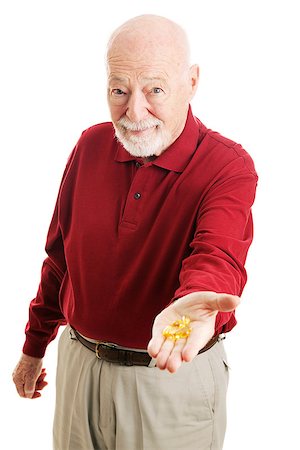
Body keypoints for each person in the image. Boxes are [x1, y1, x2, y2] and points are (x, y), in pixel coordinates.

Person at [12, 14, 257, 450]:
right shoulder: (90, 146)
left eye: (155, 89)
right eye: (119, 90)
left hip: (167, 380)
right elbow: (59, 259)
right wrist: (34, 348)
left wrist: (194, 305)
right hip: (79, 366)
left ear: (192, 82)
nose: (134, 111)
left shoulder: (227, 166)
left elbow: (218, 257)